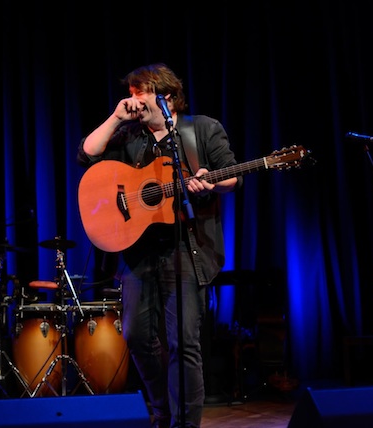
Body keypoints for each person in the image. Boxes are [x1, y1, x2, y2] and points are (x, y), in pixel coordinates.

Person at [77, 63, 242, 428]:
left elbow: (232, 175)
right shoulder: (128, 136)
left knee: (184, 343)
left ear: (166, 97)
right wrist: (116, 117)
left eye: (141, 92)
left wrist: (210, 183)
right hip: (138, 253)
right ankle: (161, 412)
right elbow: (87, 154)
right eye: (131, 92)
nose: (133, 99)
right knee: (135, 336)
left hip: (187, 249)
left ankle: (185, 423)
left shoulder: (201, 129)